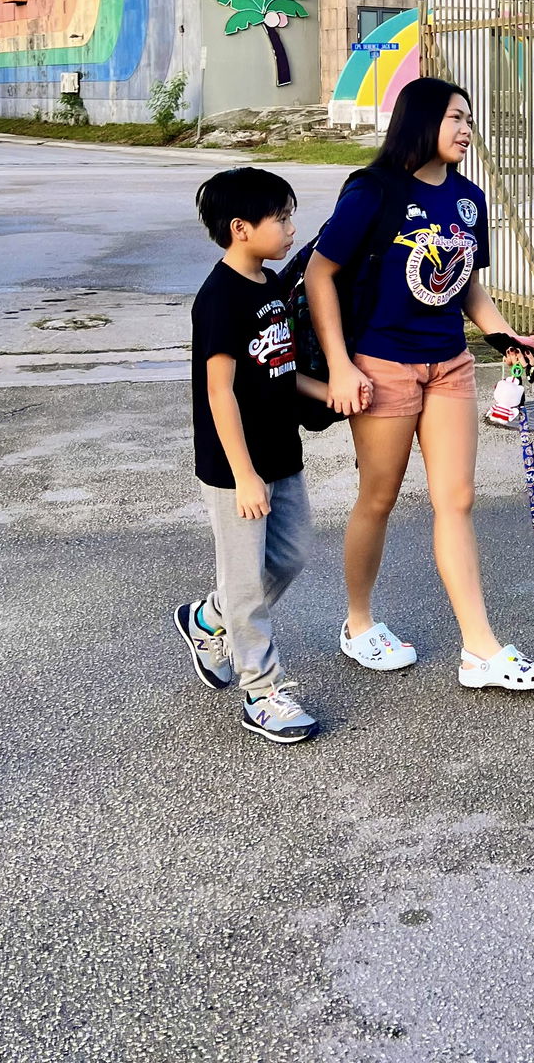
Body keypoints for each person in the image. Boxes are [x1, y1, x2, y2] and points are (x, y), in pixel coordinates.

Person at [304, 77, 534, 692]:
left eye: (469, 119)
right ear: (420, 121)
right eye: (455, 118)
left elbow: (466, 284)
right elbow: (319, 273)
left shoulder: (468, 199)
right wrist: (340, 365)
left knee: (457, 500)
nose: (466, 129)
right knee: (379, 498)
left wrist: (503, 337)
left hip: (449, 365)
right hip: (381, 366)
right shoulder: (373, 191)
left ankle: (480, 650)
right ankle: (358, 624)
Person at [176, 167, 330, 745]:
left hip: (281, 452)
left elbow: (279, 372)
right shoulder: (219, 300)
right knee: (244, 580)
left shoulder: (269, 286)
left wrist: (335, 388)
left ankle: (208, 618)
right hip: (235, 466)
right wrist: (244, 476)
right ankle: (262, 691)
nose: (292, 228)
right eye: (281, 218)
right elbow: (220, 392)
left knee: (289, 556)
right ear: (241, 228)